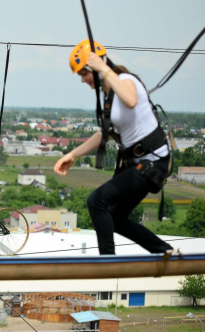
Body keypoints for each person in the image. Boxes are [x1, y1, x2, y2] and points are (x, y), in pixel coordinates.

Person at [54, 40, 174, 255]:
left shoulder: (125, 80)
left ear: (95, 67)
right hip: (143, 164)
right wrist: (73, 155)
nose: (83, 80)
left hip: (153, 162)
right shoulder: (108, 95)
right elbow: (105, 132)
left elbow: (130, 100)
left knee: (97, 201)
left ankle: (107, 260)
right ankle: (165, 251)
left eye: (84, 74)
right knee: (116, 218)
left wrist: (103, 67)